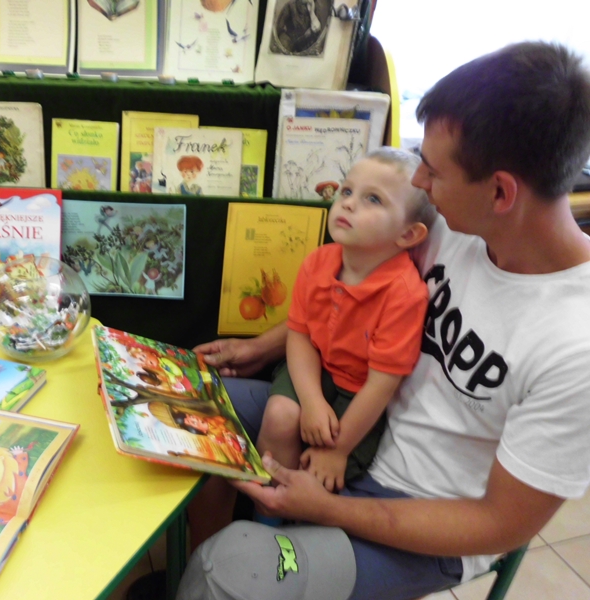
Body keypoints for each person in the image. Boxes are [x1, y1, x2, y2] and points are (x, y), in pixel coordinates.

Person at [179, 41, 590, 600]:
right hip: (347, 419)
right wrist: (264, 346)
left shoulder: (574, 348)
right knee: (187, 409)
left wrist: (329, 509)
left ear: (500, 192)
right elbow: (347, 297)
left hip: (418, 513)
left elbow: (500, 524)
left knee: (232, 572)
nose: (419, 182)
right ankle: (197, 568)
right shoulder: (454, 224)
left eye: (433, 171)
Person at [258, 148, 435, 502]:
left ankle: (294, 520)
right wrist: (311, 401)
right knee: (279, 415)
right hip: (313, 370)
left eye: (373, 199)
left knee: (320, 468)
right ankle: (267, 511)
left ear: (408, 235)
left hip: (359, 397)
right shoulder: (317, 262)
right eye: (347, 191)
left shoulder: (404, 294)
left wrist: (338, 451)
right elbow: (300, 335)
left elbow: (382, 385)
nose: (349, 204)